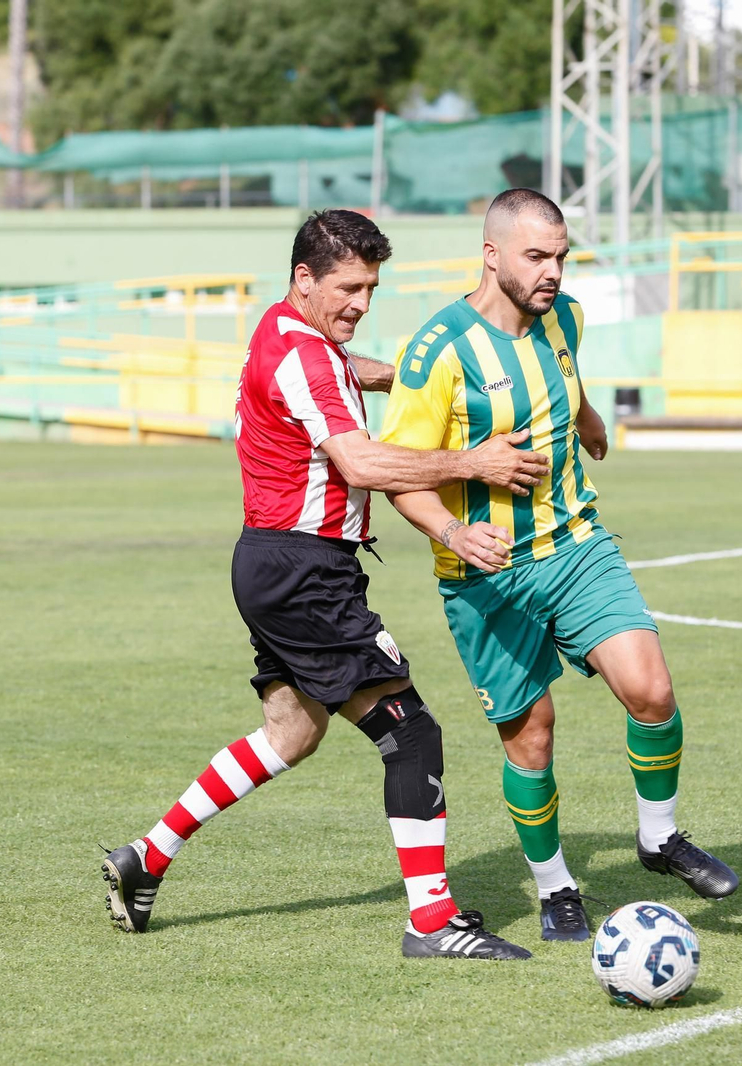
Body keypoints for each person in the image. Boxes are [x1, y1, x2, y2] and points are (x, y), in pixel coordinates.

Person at [101, 209, 551, 960]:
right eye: (348, 288)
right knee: (411, 732)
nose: (360, 304)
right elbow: (365, 465)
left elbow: (350, 374)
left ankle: (146, 857)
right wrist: (473, 461)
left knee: (291, 734)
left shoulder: (287, 330)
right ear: (303, 277)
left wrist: (414, 374)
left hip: (278, 564)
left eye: (371, 288)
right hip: (304, 571)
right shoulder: (308, 360)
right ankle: (432, 924)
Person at [377, 188, 739, 944]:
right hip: (485, 579)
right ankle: (556, 887)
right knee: (531, 736)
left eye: (562, 256)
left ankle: (659, 838)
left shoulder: (564, 318)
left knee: (651, 689)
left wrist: (590, 419)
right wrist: (452, 528)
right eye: (537, 257)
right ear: (492, 254)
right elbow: (397, 471)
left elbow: (564, 386)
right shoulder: (437, 351)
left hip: (576, 546)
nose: (552, 272)